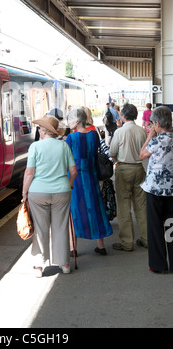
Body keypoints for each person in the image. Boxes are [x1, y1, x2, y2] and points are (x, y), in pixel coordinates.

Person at [22, 115, 77, 277]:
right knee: (60, 227)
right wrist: (69, 183)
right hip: (62, 191)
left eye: (39, 128)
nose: (38, 130)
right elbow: (73, 171)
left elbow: (29, 173)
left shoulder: (35, 147)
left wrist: (24, 193)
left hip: (38, 192)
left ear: (44, 131)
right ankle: (65, 264)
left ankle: (39, 266)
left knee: (40, 228)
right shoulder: (63, 146)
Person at [66, 108, 113, 256]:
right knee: (95, 207)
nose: (68, 123)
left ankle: (73, 248)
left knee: (75, 210)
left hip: (76, 178)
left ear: (77, 121)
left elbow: (67, 159)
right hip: (92, 176)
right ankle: (101, 246)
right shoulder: (93, 135)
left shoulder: (71, 138)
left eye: (70, 120)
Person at [109, 103, 148, 251]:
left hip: (124, 168)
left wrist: (117, 161)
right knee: (141, 206)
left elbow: (112, 151)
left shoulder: (120, 132)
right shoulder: (142, 131)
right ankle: (146, 239)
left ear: (123, 115)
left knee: (124, 206)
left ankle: (127, 242)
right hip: (139, 168)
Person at [139, 105, 173, 273]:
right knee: (171, 226)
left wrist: (150, 136)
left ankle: (158, 265)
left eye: (153, 123)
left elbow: (142, 154)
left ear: (158, 123)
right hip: (172, 190)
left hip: (155, 189)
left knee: (155, 227)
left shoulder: (157, 140)